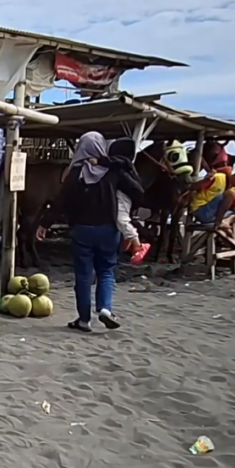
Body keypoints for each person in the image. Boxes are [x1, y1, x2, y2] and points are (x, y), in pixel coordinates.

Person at [42, 132, 124, 332]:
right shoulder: (112, 171)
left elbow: (60, 201)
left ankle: (84, 319)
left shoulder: (75, 173)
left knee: (84, 275)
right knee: (106, 271)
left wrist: (45, 224)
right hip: (108, 229)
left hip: (82, 230)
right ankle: (105, 309)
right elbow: (134, 182)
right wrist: (106, 161)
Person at [101, 138, 150, 264]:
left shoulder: (122, 163)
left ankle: (138, 245)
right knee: (120, 217)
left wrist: (99, 161)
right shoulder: (125, 165)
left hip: (124, 194)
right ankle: (127, 237)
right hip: (126, 194)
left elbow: (112, 161)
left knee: (120, 218)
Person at [189, 165, 235, 234]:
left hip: (213, 214)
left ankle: (225, 224)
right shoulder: (218, 178)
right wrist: (206, 180)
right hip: (201, 210)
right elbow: (194, 187)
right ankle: (219, 223)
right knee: (230, 194)